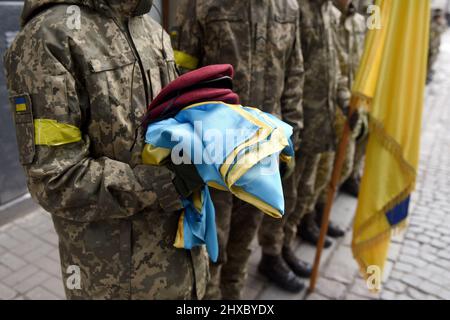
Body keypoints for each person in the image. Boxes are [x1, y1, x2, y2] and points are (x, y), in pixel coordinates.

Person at [4, 0, 209, 300]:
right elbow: (56, 179)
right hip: (116, 283)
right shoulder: (49, 37)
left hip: (185, 268)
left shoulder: (152, 31)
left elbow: (173, 128)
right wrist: (165, 183)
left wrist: (217, 150)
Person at [173, 0, 306, 298]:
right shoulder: (202, 5)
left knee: (243, 242)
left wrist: (290, 137)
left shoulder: (289, 8)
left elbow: (294, 73)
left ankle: (234, 296)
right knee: (211, 246)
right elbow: (181, 74)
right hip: (215, 154)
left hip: (263, 153)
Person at [288, 0, 350, 250]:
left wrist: (345, 102)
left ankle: (288, 242)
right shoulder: (297, 9)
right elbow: (291, 69)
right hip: (299, 120)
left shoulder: (330, 13)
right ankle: (273, 251)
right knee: (289, 195)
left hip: (321, 120)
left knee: (307, 188)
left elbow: (336, 67)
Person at [428, 8, 448, 83]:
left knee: (432, 60)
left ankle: (429, 72)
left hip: (435, 46)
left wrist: (440, 23)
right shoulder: (431, 23)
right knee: (428, 60)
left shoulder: (440, 23)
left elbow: (443, 29)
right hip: (430, 45)